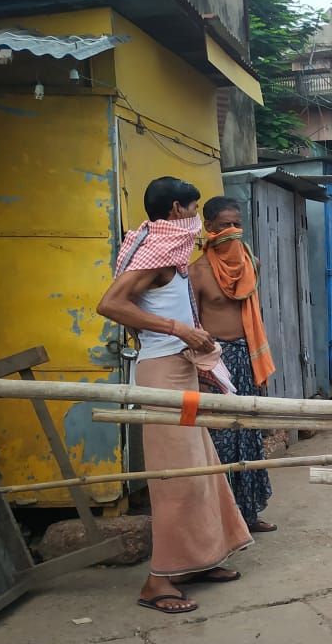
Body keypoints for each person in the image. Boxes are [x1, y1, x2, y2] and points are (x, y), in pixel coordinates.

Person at [97, 177, 252, 614]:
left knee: (201, 470)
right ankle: (157, 581)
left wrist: (198, 358)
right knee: (175, 479)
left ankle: (197, 561)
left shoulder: (174, 254)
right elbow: (110, 305)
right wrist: (178, 330)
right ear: (176, 211)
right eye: (194, 210)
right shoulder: (157, 254)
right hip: (161, 375)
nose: (197, 220)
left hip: (181, 370)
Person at [189, 196, 278, 534]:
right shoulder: (196, 273)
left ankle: (249, 514)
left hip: (247, 358)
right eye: (224, 225)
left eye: (236, 225)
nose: (231, 231)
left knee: (249, 436)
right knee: (220, 440)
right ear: (209, 227)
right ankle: (222, 521)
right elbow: (192, 324)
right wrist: (201, 370)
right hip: (215, 363)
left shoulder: (252, 264)